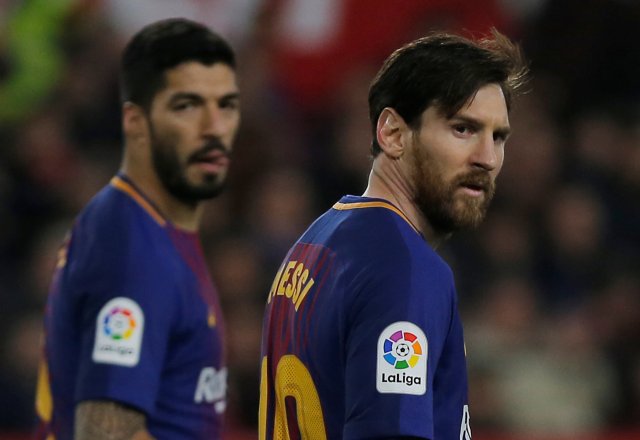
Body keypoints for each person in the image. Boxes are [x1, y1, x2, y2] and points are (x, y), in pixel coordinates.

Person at [259, 29, 528, 439]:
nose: (487, 158)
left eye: (498, 136)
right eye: (463, 129)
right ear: (393, 133)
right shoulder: (404, 269)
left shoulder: (315, 244)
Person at [34, 18, 241, 440]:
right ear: (135, 121)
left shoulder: (153, 229)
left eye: (226, 105)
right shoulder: (133, 245)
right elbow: (106, 434)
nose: (214, 127)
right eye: (186, 105)